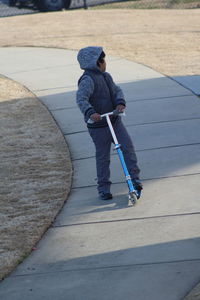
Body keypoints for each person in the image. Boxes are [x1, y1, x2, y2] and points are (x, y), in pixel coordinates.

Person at [76, 46, 142, 200]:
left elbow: (116, 90)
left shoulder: (106, 77)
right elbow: (81, 99)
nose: (105, 63)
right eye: (103, 60)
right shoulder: (87, 80)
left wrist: (120, 103)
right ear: (96, 62)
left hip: (114, 121)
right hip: (98, 126)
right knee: (103, 157)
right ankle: (104, 188)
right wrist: (91, 112)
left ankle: (135, 181)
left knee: (127, 148)